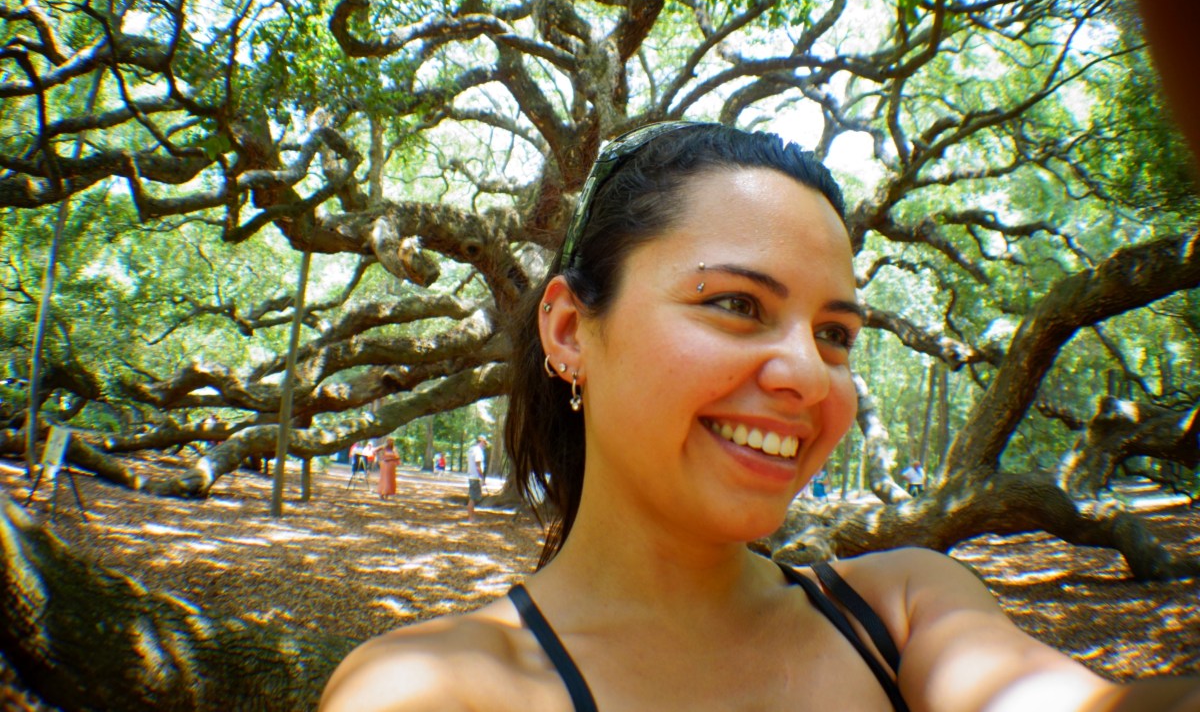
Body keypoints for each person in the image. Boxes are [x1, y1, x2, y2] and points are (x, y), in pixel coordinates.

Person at [321, 123, 1200, 712]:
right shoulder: (434, 688)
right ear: (567, 330)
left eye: (835, 333)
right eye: (738, 304)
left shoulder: (902, 612)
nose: (809, 375)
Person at [466, 435, 488, 520]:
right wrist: (482, 478)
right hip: (475, 477)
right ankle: (471, 517)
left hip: (471, 476)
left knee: (473, 497)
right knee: (473, 498)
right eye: (485, 442)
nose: (485, 445)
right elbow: (478, 466)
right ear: (481, 442)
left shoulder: (471, 450)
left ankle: (472, 516)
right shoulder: (478, 451)